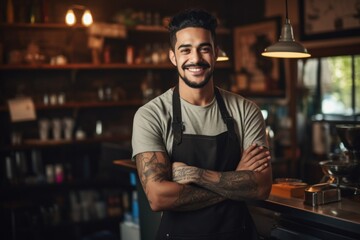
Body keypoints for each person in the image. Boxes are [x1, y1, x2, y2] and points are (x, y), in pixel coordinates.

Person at [131, 8, 272, 240]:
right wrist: (235, 180)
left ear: (215, 53)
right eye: (185, 50)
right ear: (173, 57)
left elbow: (261, 187)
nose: (195, 59)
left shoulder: (246, 110)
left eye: (204, 49)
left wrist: (196, 174)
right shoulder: (151, 115)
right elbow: (158, 197)